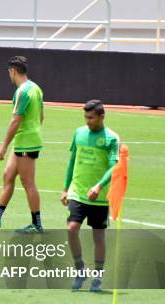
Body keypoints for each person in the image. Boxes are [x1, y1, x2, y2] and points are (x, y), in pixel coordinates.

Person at [0, 56, 44, 232]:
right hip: (25, 140)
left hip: (26, 142)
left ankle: (37, 224)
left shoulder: (22, 91)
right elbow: (41, 116)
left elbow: (16, 121)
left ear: (12, 71)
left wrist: (3, 146)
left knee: (28, 182)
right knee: (8, 175)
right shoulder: (36, 88)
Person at [61, 100, 120, 292]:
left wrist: (99, 185)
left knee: (98, 236)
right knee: (71, 229)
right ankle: (80, 269)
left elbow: (114, 167)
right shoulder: (79, 133)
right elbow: (72, 161)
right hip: (78, 192)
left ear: (102, 117)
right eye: (85, 117)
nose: (88, 121)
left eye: (91, 118)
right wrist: (65, 188)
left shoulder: (111, 139)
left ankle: (98, 277)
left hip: (99, 196)